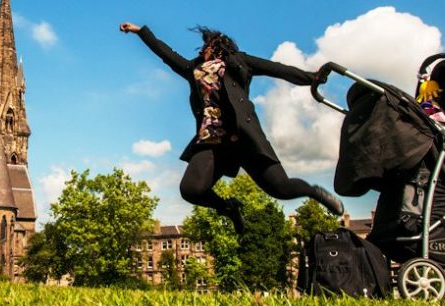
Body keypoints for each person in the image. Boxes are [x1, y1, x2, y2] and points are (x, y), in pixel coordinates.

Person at [120, 22, 344, 234]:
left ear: (217, 46)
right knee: (191, 190)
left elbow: (276, 69)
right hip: (213, 139)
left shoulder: (238, 62)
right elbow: (166, 54)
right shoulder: (193, 68)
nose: (202, 51)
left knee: (281, 189)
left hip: (244, 138)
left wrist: (312, 77)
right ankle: (229, 208)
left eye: (206, 46)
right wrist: (141, 31)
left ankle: (314, 192)